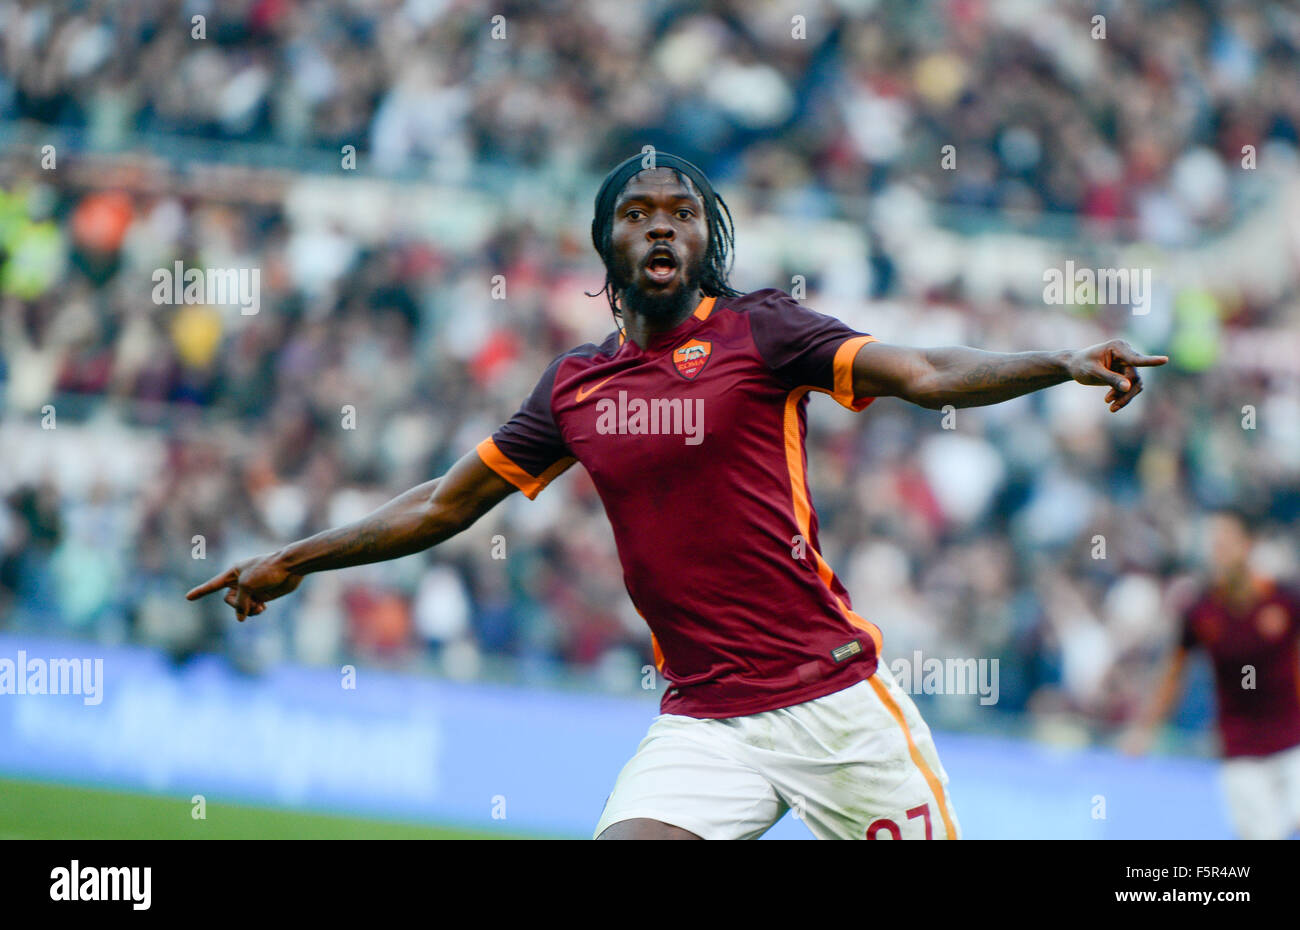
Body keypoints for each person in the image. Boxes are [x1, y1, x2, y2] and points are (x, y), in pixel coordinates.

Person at [188, 151, 1168, 839]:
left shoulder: (764, 332)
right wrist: (296, 557)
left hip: (833, 704)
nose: (662, 223)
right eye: (638, 212)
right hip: (703, 719)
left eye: (682, 211)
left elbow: (921, 370)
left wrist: (1060, 361)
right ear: (606, 246)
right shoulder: (573, 388)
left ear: (705, 239)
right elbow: (443, 505)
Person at [1124, 510, 1300, 840]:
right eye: (1213, 541)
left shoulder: (1284, 601)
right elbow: (1174, 673)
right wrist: (1145, 729)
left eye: (1225, 540)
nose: (1217, 548)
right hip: (1240, 750)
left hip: (1293, 741)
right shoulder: (1201, 611)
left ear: (1247, 545)